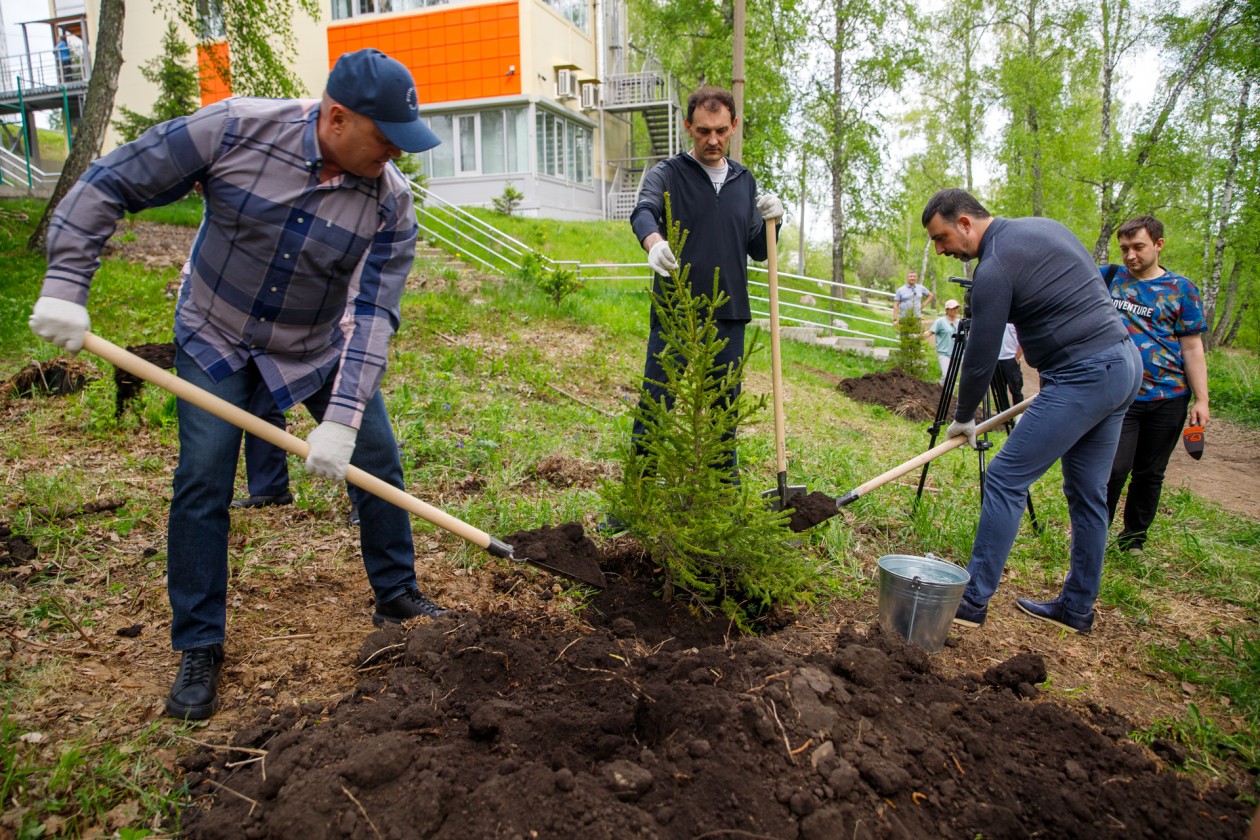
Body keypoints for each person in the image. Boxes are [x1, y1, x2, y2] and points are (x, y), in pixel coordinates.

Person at [30, 48, 448, 720]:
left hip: (316, 343)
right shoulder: (233, 129)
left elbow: (374, 316)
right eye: (386, 141)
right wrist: (66, 284)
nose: (396, 158)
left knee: (377, 455)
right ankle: (201, 645)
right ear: (336, 118)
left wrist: (339, 420)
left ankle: (396, 593)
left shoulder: (390, 206)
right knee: (203, 473)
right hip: (216, 332)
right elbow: (112, 182)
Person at [921, 188, 1141, 634]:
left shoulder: (995, 265)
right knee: (1087, 492)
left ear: (965, 223)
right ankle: (1077, 608)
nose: (941, 250)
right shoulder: (1044, 227)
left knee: (1004, 476)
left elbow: (982, 351)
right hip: (1123, 363)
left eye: (942, 238)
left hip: (1085, 374)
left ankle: (973, 600)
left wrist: (963, 416)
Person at [624, 86, 781, 479]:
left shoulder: (744, 182)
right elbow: (643, 211)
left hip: (729, 314)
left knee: (723, 413)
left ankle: (721, 497)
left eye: (722, 131)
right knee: (656, 404)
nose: (713, 140)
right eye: (703, 131)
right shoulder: (668, 174)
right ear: (688, 127)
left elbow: (759, 250)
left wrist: (774, 222)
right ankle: (638, 495)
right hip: (676, 313)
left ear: (734, 127)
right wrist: (653, 241)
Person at [1104, 216, 1209, 553]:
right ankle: (1093, 533)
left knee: (1150, 472)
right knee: (1113, 468)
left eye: (1138, 247)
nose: (1130, 255)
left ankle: (1133, 540)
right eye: (1124, 249)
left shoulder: (1182, 289)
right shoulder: (1109, 278)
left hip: (1170, 397)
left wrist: (1202, 400)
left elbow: (1192, 347)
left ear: (1159, 244)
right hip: (1122, 395)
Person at [923, 298, 960, 384]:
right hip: (944, 354)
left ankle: (949, 395)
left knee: (952, 378)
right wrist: (917, 337)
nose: (955, 310)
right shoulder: (940, 322)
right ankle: (939, 391)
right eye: (953, 308)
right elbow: (930, 332)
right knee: (946, 376)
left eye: (956, 308)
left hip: (957, 354)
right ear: (947, 310)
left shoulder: (959, 323)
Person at [993, 323, 1024, 406]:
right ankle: (1005, 416)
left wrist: (1017, 357)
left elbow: (1022, 339)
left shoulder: (1014, 320)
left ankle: (1019, 415)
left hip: (1011, 359)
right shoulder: (995, 319)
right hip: (996, 359)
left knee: (1016, 390)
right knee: (1000, 392)